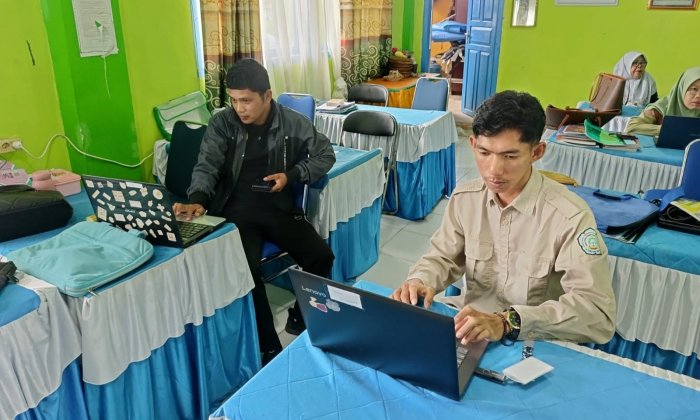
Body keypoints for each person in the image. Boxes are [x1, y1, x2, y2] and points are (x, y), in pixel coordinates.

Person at [390, 90, 616, 346]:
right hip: (471, 332)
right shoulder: (465, 198)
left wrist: (508, 321)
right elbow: (443, 257)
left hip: (534, 341)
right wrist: (420, 280)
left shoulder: (570, 216)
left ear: (537, 152)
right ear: (472, 144)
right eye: (484, 153)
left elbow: (597, 313)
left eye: (510, 156)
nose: (494, 170)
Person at [174, 59, 336, 365]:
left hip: (277, 207)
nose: (239, 108)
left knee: (322, 256)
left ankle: (301, 315)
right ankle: (268, 346)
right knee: (247, 271)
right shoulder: (223, 123)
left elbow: (326, 155)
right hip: (235, 210)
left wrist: (292, 175)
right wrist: (198, 198)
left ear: (267, 96)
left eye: (246, 100)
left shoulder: (293, 122)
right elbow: (207, 165)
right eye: (234, 100)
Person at [626, 67, 700, 137]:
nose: (698, 96)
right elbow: (633, 126)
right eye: (694, 89)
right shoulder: (661, 108)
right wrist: (668, 129)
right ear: (682, 89)